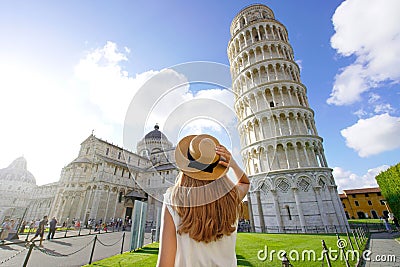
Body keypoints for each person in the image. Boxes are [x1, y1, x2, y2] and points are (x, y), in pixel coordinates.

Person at [156, 134, 250, 267]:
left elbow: (165, 264)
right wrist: (233, 163)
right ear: (218, 166)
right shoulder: (231, 197)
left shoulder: (173, 199)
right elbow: (245, 183)